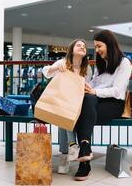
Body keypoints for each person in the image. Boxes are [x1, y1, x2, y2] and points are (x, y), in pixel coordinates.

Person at [73, 30, 132, 181]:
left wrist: (94, 91)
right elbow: (94, 83)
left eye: (99, 46)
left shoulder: (124, 63)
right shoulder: (101, 63)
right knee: (87, 101)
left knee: (83, 108)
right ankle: (85, 148)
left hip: (114, 104)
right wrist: (85, 86)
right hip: (95, 101)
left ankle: (84, 163)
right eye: (96, 47)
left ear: (109, 44)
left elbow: (117, 91)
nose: (97, 50)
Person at [42, 39, 92, 174]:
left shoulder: (87, 68)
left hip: (79, 103)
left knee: (66, 116)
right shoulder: (63, 62)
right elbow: (46, 71)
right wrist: (56, 68)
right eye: (79, 45)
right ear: (72, 49)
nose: (82, 47)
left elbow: (88, 86)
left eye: (84, 46)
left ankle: (68, 151)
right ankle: (71, 147)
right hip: (61, 101)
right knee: (63, 114)